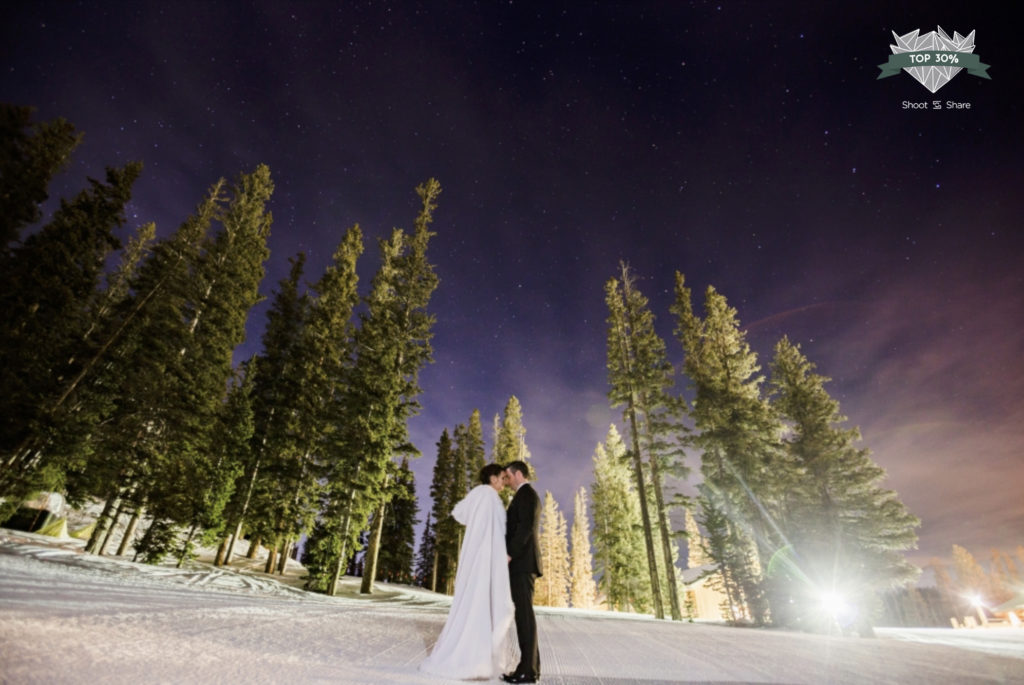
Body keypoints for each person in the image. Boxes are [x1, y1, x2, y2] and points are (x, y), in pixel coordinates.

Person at [420, 464, 519, 680]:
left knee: (477, 603)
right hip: (484, 562)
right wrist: (498, 560)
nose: (504, 482)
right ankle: (474, 660)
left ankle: (478, 658)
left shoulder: (478, 496)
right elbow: (490, 532)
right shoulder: (488, 497)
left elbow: (465, 517)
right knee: (482, 604)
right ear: (493, 479)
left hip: (477, 560)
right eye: (502, 477)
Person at [502, 460, 542, 684]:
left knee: (524, 616)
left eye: (508, 476)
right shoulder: (525, 495)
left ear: (518, 474)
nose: (506, 481)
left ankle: (527, 671)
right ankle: (530, 668)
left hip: (522, 563)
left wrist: (510, 554)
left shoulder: (526, 495)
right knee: (524, 615)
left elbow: (525, 528)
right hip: (522, 562)